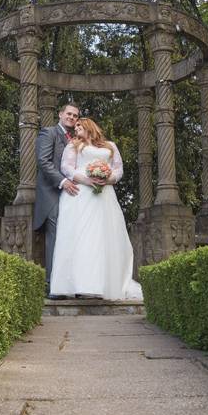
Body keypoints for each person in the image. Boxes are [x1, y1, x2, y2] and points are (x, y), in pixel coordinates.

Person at [49, 118, 143, 301]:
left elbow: (118, 169)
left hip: (104, 195)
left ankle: (100, 285)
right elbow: (66, 168)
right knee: (80, 237)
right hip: (80, 195)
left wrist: (108, 179)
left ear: (89, 126)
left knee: (102, 238)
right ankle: (75, 285)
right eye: (75, 126)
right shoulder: (73, 146)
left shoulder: (110, 146)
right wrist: (86, 180)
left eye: (79, 125)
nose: (75, 128)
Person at [34, 103, 81, 298]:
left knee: (73, 238)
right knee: (55, 237)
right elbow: (43, 161)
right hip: (52, 193)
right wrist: (62, 181)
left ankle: (72, 283)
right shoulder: (49, 132)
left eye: (75, 115)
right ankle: (53, 285)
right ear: (60, 114)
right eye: (68, 113)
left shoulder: (76, 138)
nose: (71, 117)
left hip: (72, 196)